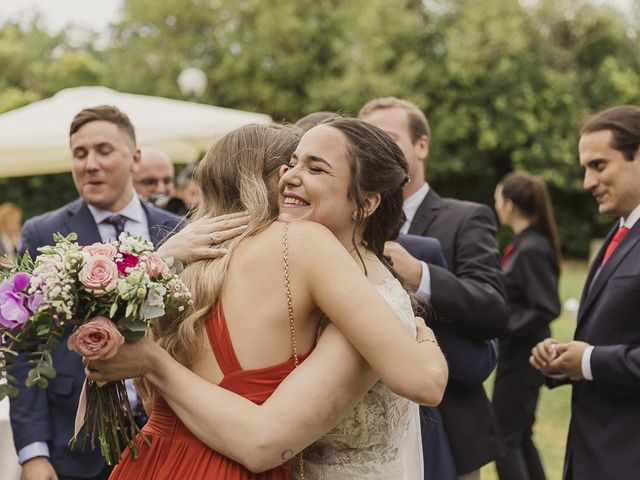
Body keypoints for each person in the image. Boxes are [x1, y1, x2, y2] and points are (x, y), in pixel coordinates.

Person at [88, 119, 448, 479]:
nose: (289, 175)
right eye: (291, 163)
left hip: (155, 459)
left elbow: (154, 397)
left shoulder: (198, 269)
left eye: (314, 167)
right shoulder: (301, 246)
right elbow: (260, 443)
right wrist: (423, 333)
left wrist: (160, 262)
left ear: (366, 202)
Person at [9, 105, 182, 480]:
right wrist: (33, 453)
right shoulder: (43, 233)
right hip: (73, 443)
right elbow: (26, 348)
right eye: (80, 153)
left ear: (134, 158)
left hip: (169, 434)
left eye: (103, 150)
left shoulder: (178, 231)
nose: (90, 164)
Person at [359, 97, 508, 480]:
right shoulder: (351, 222)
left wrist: (422, 274)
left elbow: (492, 308)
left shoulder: (466, 218)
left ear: (422, 145)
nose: (380, 149)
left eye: (390, 138)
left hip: (448, 428)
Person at [531, 105, 640, 480]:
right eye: (584, 169)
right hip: (591, 455)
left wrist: (589, 361)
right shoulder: (618, 232)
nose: (586, 182)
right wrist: (563, 360)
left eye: (598, 165)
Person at [492, 171, 561, 480]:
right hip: (518, 355)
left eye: (497, 200)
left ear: (509, 204)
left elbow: (546, 306)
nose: (496, 206)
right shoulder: (524, 243)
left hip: (525, 357)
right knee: (518, 436)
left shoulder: (532, 247)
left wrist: (504, 328)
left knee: (504, 439)